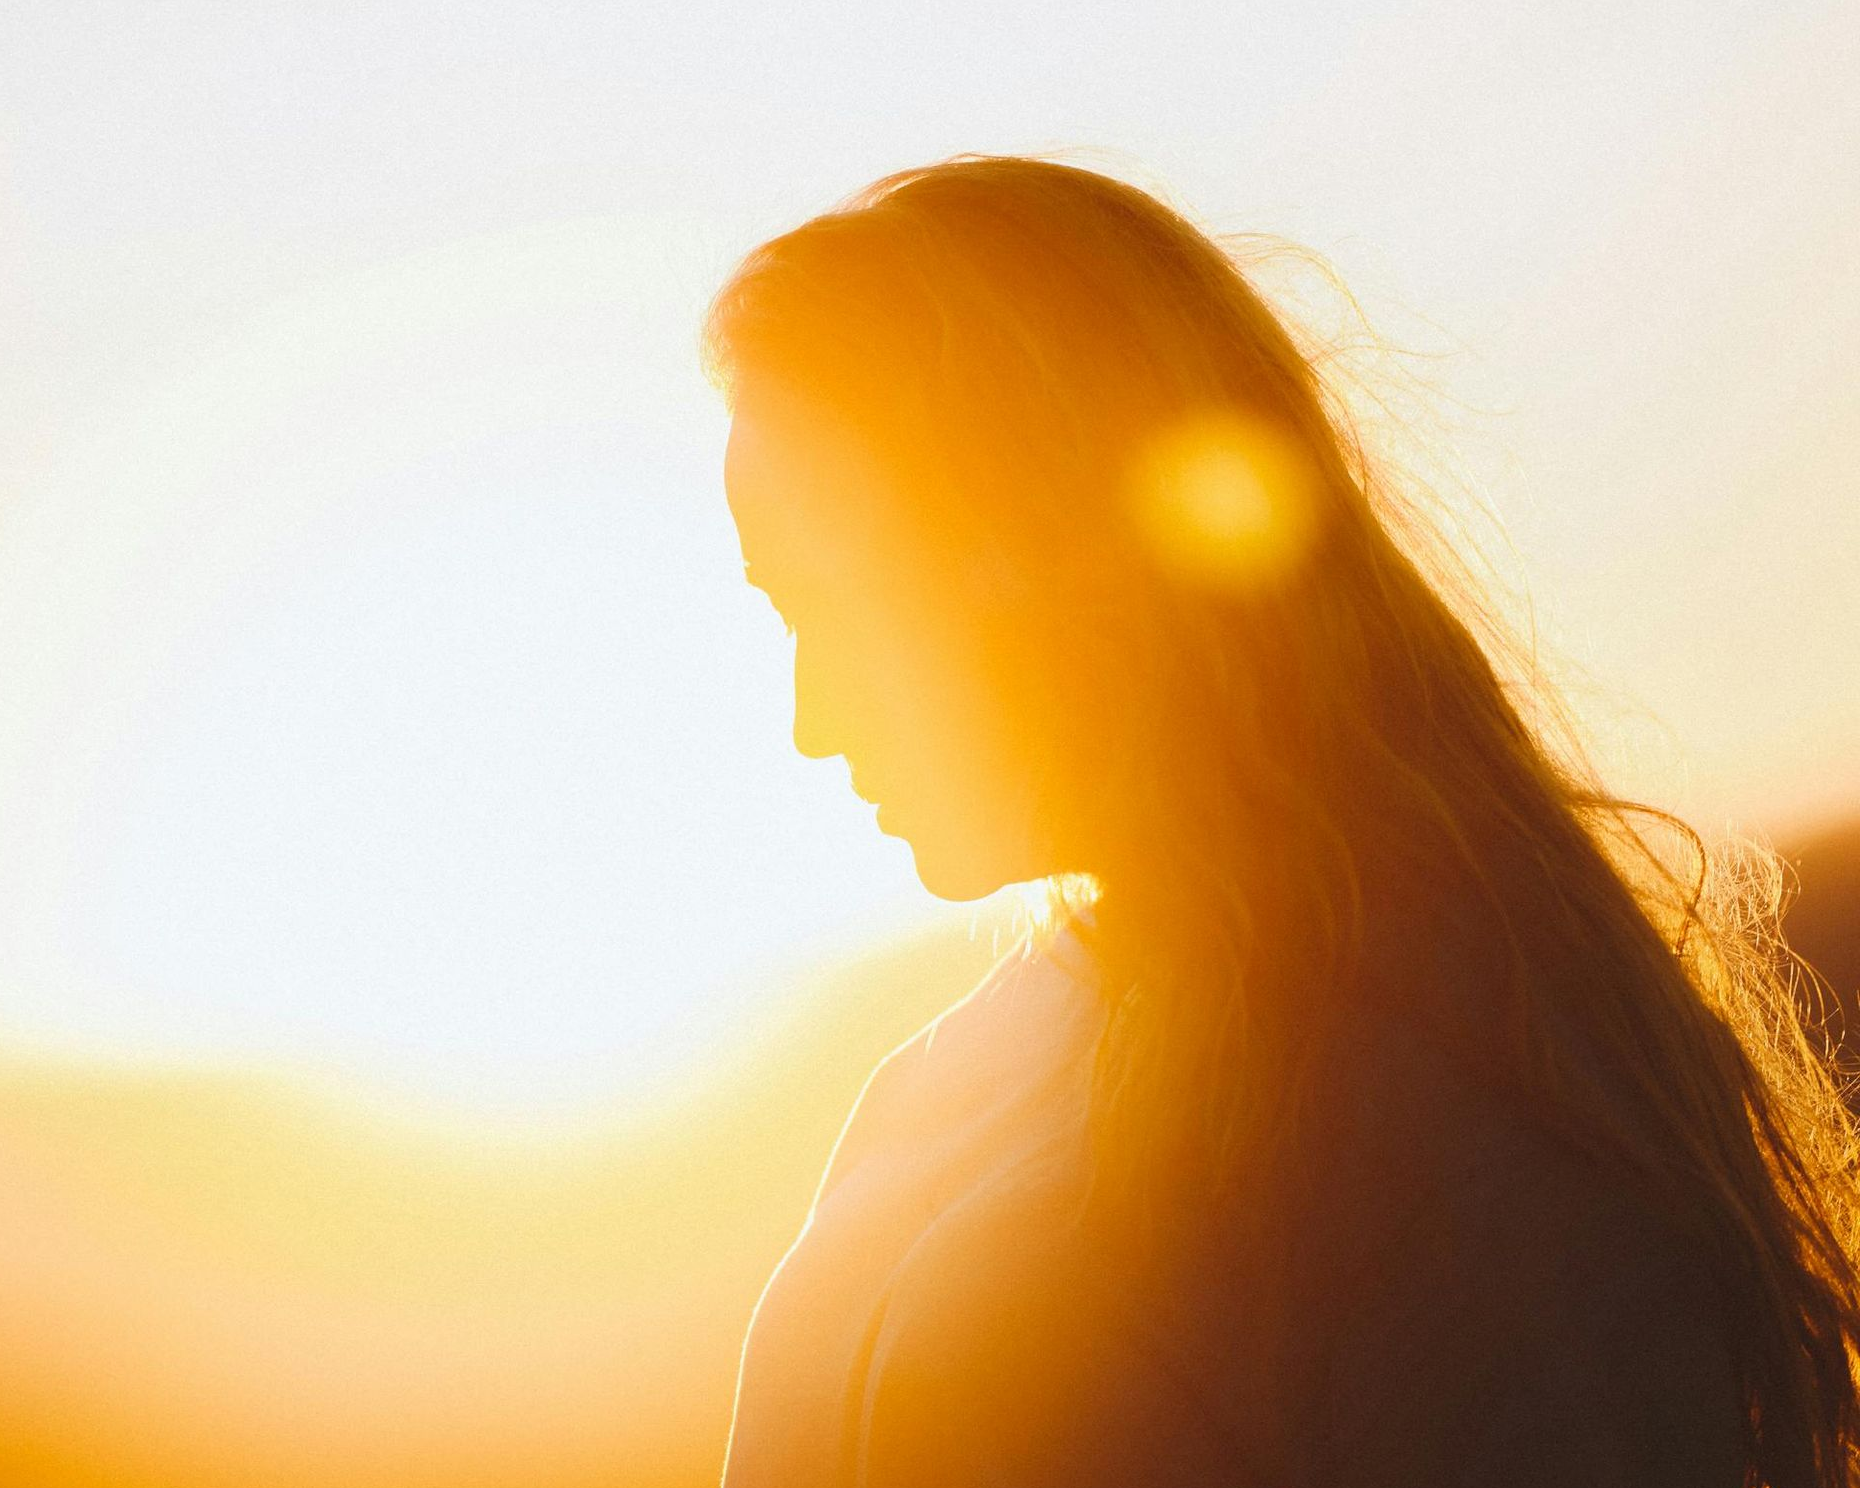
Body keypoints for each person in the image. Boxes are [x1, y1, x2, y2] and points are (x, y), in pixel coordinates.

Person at [703, 152, 1860, 1487]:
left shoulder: (1464, 1116)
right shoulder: (979, 1066)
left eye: (832, 605)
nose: (811, 720)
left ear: (1039, 561)